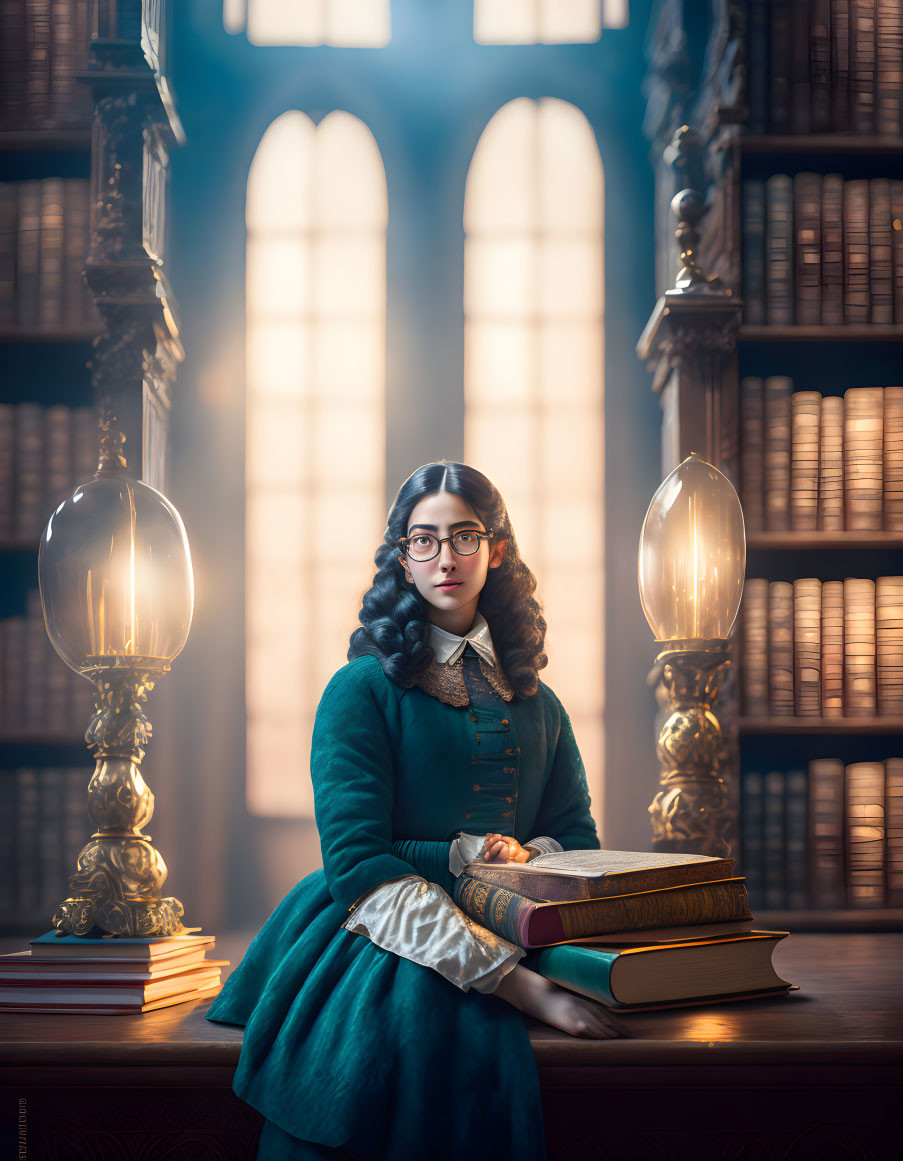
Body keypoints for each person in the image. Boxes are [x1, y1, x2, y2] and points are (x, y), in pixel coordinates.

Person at [206, 461, 626, 1161]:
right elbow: (357, 864)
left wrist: (527, 859)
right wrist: (528, 991)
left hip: (521, 916)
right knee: (407, 1053)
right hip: (378, 926)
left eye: (464, 536)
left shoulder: (539, 703)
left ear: (495, 548)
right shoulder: (359, 691)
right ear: (401, 556)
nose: (445, 557)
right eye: (423, 539)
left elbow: (578, 837)